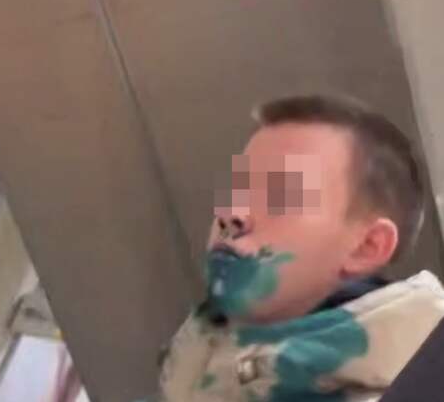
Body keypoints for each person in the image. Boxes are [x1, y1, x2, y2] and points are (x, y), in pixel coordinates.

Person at [149, 94, 444, 402]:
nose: (231, 214)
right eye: (237, 189)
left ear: (366, 247)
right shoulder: (206, 353)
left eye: (280, 196)